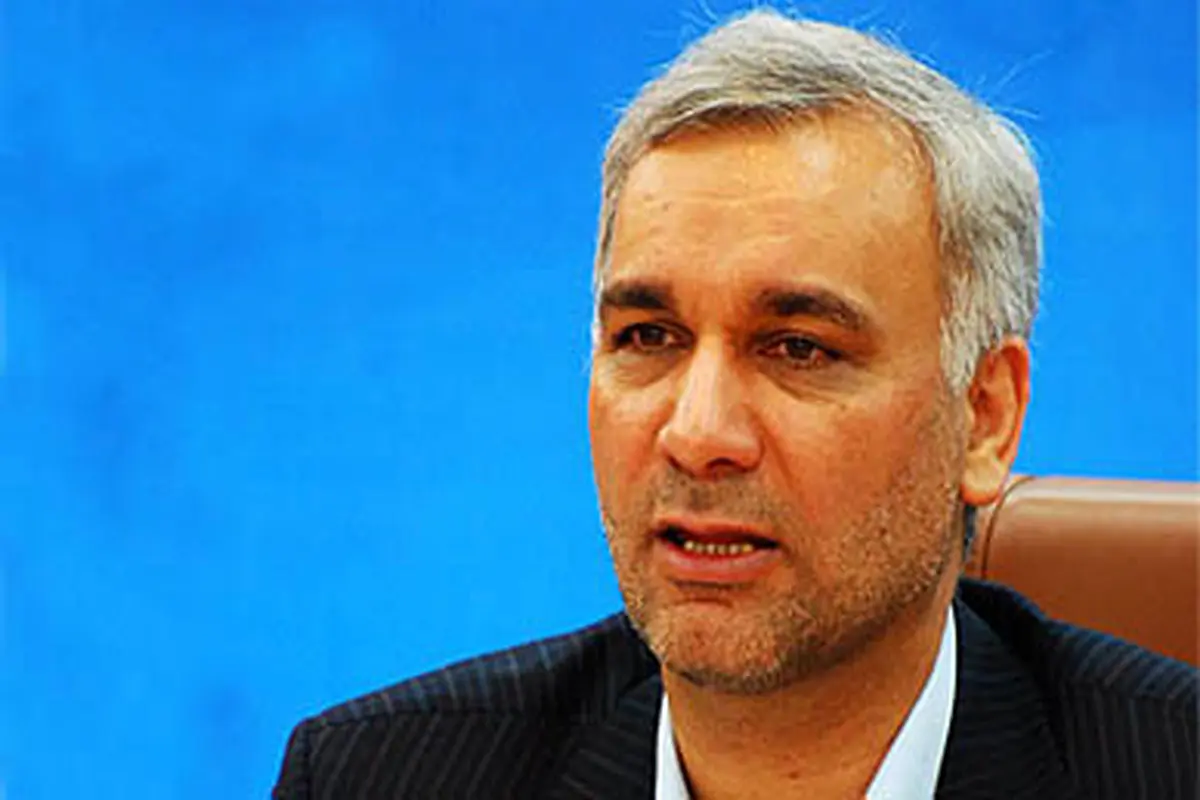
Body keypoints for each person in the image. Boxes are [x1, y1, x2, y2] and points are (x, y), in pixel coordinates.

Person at [273, 9, 1197, 799]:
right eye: (649, 337)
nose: (697, 433)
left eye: (798, 348)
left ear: (984, 416)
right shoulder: (378, 775)